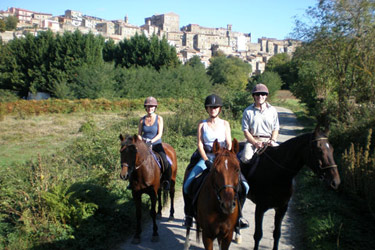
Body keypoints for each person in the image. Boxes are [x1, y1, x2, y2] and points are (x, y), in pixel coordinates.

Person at [183, 94, 249, 228]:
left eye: (215, 107)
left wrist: (224, 157)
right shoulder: (202, 124)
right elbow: (200, 144)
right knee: (187, 184)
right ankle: (189, 214)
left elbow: (229, 143)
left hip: (223, 158)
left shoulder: (225, 124)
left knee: (245, 186)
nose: (213, 109)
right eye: (210, 107)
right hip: (206, 157)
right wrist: (207, 160)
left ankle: (239, 216)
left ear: (219, 109)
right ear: (207, 109)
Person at [240, 83, 280, 164]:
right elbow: (245, 131)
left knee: (282, 157)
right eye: (257, 94)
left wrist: (272, 140)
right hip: (253, 141)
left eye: (263, 94)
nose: (260, 96)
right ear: (254, 96)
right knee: (245, 158)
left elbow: (276, 128)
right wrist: (255, 143)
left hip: (269, 141)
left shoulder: (272, 110)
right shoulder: (248, 111)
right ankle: (244, 176)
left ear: (266, 96)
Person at [138, 96, 171, 190]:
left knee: (165, 160)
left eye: (152, 106)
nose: (150, 108)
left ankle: (166, 181)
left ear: (155, 107)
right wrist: (142, 141)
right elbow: (139, 134)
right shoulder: (142, 120)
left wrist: (151, 142)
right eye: (148, 106)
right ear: (145, 108)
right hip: (144, 145)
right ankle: (132, 181)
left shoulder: (159, 118)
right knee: (133, 159)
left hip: (156, 144)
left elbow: (159, 134)